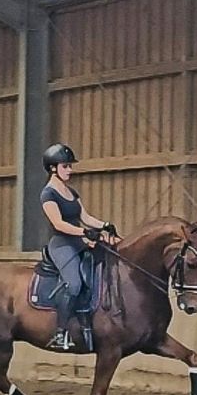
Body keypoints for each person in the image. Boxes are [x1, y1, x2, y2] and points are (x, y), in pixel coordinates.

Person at [40, 143, 119, 350]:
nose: (70, 170)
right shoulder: (48, 194)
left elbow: (84, 217)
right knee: (74, 284)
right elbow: (58, 224)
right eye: (65, 166)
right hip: (62, 244)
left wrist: (104, 225)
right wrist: (84, 232)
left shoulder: (71, 192)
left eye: (70, 166)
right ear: (53, 168)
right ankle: (60, 333)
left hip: (79, 241)